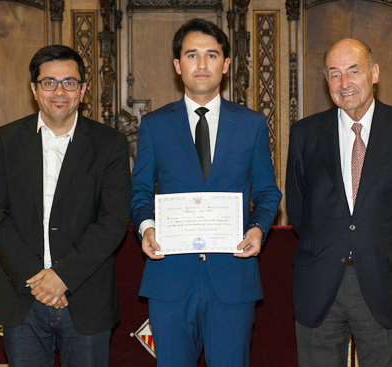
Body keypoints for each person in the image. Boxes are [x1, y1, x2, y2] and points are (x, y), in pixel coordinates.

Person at [130, 18, 281, 367]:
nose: (201, 64)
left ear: (226, 65)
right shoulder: (154, 125)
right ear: (177, 64)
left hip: (232, 279)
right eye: (192, 55)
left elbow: (269, 192)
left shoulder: (252, 124)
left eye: (211, 55)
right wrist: (146, 227)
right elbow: (139, 190)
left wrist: (258, 229)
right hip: (170, 279)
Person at [285, 38, 392, 367]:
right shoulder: (304, 134)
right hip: (319, 281)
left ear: (374, 72)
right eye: (334, 74)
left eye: (354, 71)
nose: (345, 83)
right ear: (327, 82)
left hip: (381, 279)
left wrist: (383, 241)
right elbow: (297, 208)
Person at [0, 44, 131, 367]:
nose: (59, 91)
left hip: (85, 297)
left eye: (69, 82)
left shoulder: (109, 144)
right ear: (34, 89)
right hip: (23, 296)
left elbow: (113, 220)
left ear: (83, 90)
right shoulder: (7, 139)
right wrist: (37, 279)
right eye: (49, 82)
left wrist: (62, 277)